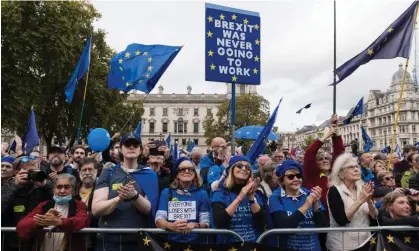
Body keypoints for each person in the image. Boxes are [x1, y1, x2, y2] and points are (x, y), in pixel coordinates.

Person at [92, 133, 152, 251]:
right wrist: (118, 199)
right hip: (109, 242)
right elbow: (96, 209)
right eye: (127, 144)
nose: (131, 147)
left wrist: (135, 196)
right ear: (120, 149)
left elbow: (149, 210)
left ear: (141, 150)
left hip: (139, 242)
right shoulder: (108, 172)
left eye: (135, 145)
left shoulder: (149, 174)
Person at [16, 173, 89, 251]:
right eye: (59, 187)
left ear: (73, 190)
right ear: (53, 189)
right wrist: (40, 221)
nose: (62, 191)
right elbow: (21, 226)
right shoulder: (44, 205)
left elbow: (83, 221)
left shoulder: (79, 205)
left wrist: (60, 222)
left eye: (67, 187)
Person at [269, 160, 328, 250]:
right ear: (282, 181)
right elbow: (285, 227)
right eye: (291, 177)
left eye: (299, 176)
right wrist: (307, 205)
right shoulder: (276, 197)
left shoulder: (309, 193)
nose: (296, 179)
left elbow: (322, 227)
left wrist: (315, 203)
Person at [327, 153, 378, 251]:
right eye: (351, 167)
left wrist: (370, 202)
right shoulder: (334, 190)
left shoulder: (363, 188)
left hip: (366, 242)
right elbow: (342, 220)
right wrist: (360, 200)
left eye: (356, 166)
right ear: (341, 173)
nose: (356, 169)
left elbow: (375, 216)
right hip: (342, 245)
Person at [2, 155, 53, 251]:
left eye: (33, 171)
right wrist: (15, 186)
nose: (31, 175)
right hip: (12, 243)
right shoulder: (8, 186)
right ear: (16, 172)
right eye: (27, 171)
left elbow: (60, 198)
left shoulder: (43, 187)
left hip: (37, 242)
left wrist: (45, 184)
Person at [155, 157, 210, 243]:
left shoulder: (202, 194)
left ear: (195, 173)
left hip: (196, 243)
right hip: (171, 243)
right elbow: (159, 218)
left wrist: (196, 225)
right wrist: (170, 225)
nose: (187, 171)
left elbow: (206, 222)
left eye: (190, 169)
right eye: (182, 169)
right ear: (177, 174)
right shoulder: (167, 192)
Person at [212, 156, 265, 243]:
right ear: (231, 170)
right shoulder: (220, 193)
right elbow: (219, 222)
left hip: (252, 244)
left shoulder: (257, 193)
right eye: (239, 166)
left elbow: (262, 222)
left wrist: (251, 198)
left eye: (248, 167)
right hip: (229, 245)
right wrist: (240, 197)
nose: (244, 169)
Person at [303, 114, 345, 210]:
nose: (325, 161)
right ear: (315, 162)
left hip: (336, 212)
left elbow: (339, 152)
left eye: (327, 158)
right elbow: (309, 154)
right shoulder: (312, 173)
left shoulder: (334, 173)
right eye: (321, 159)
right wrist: (325, 136)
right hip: (318, 211)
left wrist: (336, 134)